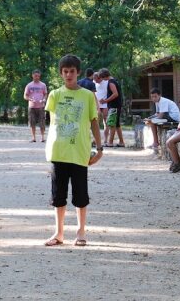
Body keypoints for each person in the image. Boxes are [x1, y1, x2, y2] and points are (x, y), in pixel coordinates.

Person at [44, 54, 103, 247]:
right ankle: (59, 233)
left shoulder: (87, 96)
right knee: (58, 195)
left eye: (72, 71)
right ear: (61, 73)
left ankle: (80, 232)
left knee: (80, 195)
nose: (68, 74)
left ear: (78, 72)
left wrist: (99, 148)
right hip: (58, 152)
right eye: (65, 71)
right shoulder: (54, 95)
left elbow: (94, 121)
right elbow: (52, 122)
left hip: (80, 152)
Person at [98, 68, 125, 147]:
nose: (102, 80)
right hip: (117, 105)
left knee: (111, 124)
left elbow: (115, 94)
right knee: (117, 125)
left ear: (104, 76)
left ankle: (110, 142)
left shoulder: (111, 83)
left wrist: (106, 100)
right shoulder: (115, 80)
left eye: (102, 78)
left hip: (114, 106)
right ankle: (121, 142)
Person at [23, 69, 48, 142]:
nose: (36, 77)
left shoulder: (43, 85)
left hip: (41, 106)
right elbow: (25, 96)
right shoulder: (29, 85)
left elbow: (45, 94)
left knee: (42, 122)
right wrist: (30, 99)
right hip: (32, 107)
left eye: (38, 76)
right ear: (32, 76)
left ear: (39, 76)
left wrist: (43, 99)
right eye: (35, 76)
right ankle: (34, 138)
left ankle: (43, 138)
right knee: (32, 122)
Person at [93, 72, 109, 145]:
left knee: (106, 122)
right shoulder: (93, 82)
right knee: (96, 123)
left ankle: (106, 140)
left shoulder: (106, 82)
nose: (95, 81)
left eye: (96, 80)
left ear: (99, 78)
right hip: (97, 105)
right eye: (94, 80)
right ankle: (96, 140)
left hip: (105, 104)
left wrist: (106, 100)